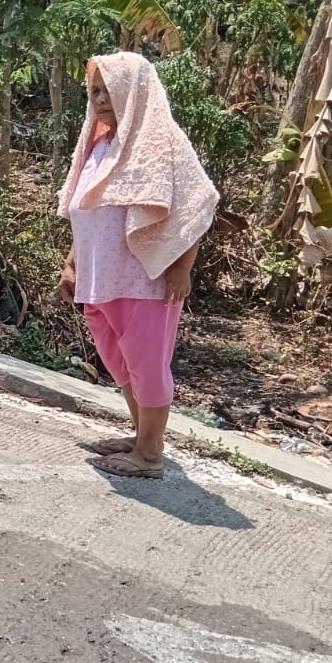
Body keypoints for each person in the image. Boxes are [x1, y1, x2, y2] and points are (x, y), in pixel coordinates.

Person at [57, 52, 219, 478]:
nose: (100, 98)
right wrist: (73, 263)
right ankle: (141, 435)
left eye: (109, 89)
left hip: (145, 280)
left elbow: (196, 204)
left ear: (135, 90)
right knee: (121, 363)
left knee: (147, 365)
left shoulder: (161, 142)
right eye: (94, 91)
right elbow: (86, 210)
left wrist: (182, 267)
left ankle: (149, 455)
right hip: (100, 279)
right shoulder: (100, 146)